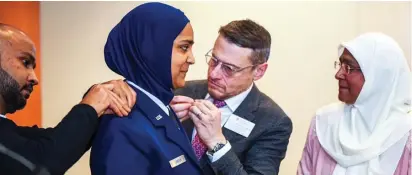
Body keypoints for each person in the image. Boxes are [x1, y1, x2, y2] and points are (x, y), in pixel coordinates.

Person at [0, 23, 136, 175]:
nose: (34, 78)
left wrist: (99, 105)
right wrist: (89, 107)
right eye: (25, 62)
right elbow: (40, 163)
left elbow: (54, 142)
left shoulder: (7, 130)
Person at [90, 2, 203, 175]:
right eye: (184, 47)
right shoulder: (121, 124)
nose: (192, 59)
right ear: (152, 49)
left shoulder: (162, 105)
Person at [171, 19, 293, 175]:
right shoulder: (181, 91)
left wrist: (217, 144)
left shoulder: (273, 122)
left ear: (259, 71)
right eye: (214, 60)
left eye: (229, 69)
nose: (214, 74)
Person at [297, 33, 412, 175]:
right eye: (340, 65)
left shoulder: (405, 135)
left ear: (378, 77)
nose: (338, 74)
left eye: (349, 68)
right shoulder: (323, 124)